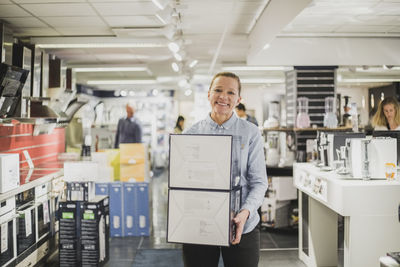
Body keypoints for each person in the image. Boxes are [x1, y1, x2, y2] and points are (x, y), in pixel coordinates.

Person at [182, 72, 268, 267]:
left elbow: (259, 182)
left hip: (243, 225)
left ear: (239, 99)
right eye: (218, 90)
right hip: (200, 225)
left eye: (231, 92)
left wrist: (244, 212)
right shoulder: (191, 134)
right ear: (209, 94)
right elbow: (184, 183)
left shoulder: (250, 133)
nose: (223, 96)